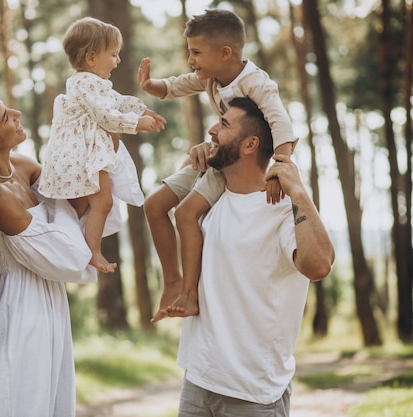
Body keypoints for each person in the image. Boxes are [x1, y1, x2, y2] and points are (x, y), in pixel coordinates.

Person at [0, 90, 98, 417]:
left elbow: (82, 196)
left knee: (53, 402)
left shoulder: (23, 168)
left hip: (50, 303)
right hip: (20, 311)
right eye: (5, 116)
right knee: (20, 401)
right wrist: (60, 207)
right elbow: (67, 257)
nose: (17, 114)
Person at [171, 97, 334, 416]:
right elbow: (172, 208)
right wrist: (192, 159)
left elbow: (319, 266)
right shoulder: (211, 198)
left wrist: (299, 192)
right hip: (199, 381)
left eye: (224, 124)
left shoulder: (285, 209)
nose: (211, 129)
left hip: (254, 394)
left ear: (250, 144)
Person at [138, 9, 297, 322]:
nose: (191, 60)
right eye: (189, 52)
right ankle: (171, 282)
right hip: (216, 154)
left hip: (242, 162)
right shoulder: (210, 77)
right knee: (154, 205)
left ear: (225, 53)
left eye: (196, 52)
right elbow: (177, 85)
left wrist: (280, 165)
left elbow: (279, 119)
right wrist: (150, 85)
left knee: (185, 214)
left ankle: (189, 293)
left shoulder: (255, 82)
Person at [38, 17, 166, 273]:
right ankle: (92, 251)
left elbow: (116, 101)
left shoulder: (93, 84)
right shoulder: (84, 83)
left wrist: (143, 110)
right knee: (102, 203)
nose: (117, 61)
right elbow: (105, 115)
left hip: (87, 155)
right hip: (82, 157)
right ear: (92, 58)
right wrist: (136, 123)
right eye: (114, 54)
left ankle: (79, 245)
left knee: (91, 206)